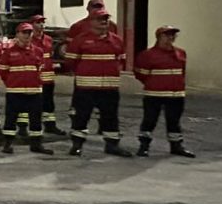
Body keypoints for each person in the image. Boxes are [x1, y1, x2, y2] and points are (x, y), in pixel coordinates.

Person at [64, 10, 132, 157]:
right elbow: (71, 62)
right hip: (86, 87)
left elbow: (121, 61)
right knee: (81, 116)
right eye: (100, 19)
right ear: (91, 21)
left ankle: (112, 145)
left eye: (106, 19)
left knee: (111, 117)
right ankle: (77, 145)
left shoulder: (117, 40)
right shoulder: (80, 40)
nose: (104, 21)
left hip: (109, 87)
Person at [134, 25, 195, 158]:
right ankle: (144, 146)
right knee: (149, 120)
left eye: (173, 35)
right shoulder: (147, 55)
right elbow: (141, 74)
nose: (170, 38)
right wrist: (153, 84)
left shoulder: (181, 53)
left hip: (176, 94)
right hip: (154, 94)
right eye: (167, 35)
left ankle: (176, 146)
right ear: (159, 37)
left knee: (174, 121)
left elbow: (182, 72)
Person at [0, 23, 54, 155]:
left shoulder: (38, 52)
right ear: (17, 34)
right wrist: (13, 84)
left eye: (29, 33)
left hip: (34, 92)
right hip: (15, 92)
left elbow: (40, 70)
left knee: (36, 120)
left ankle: (36, 144)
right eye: (24, 33)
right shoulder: (8, 53)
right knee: (10, 119)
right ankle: (8, 144)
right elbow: (3, 73)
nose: (27, 36)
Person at [29, 15, 66, 135]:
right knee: (33, 103)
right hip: (34, 78)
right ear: (32, 24)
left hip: (48, 78)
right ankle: (30, 127)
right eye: (38, 22)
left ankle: (50, 125)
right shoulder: (28, 40)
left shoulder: (48, 39)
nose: (41, 25)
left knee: (49, 103)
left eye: (42, 22)